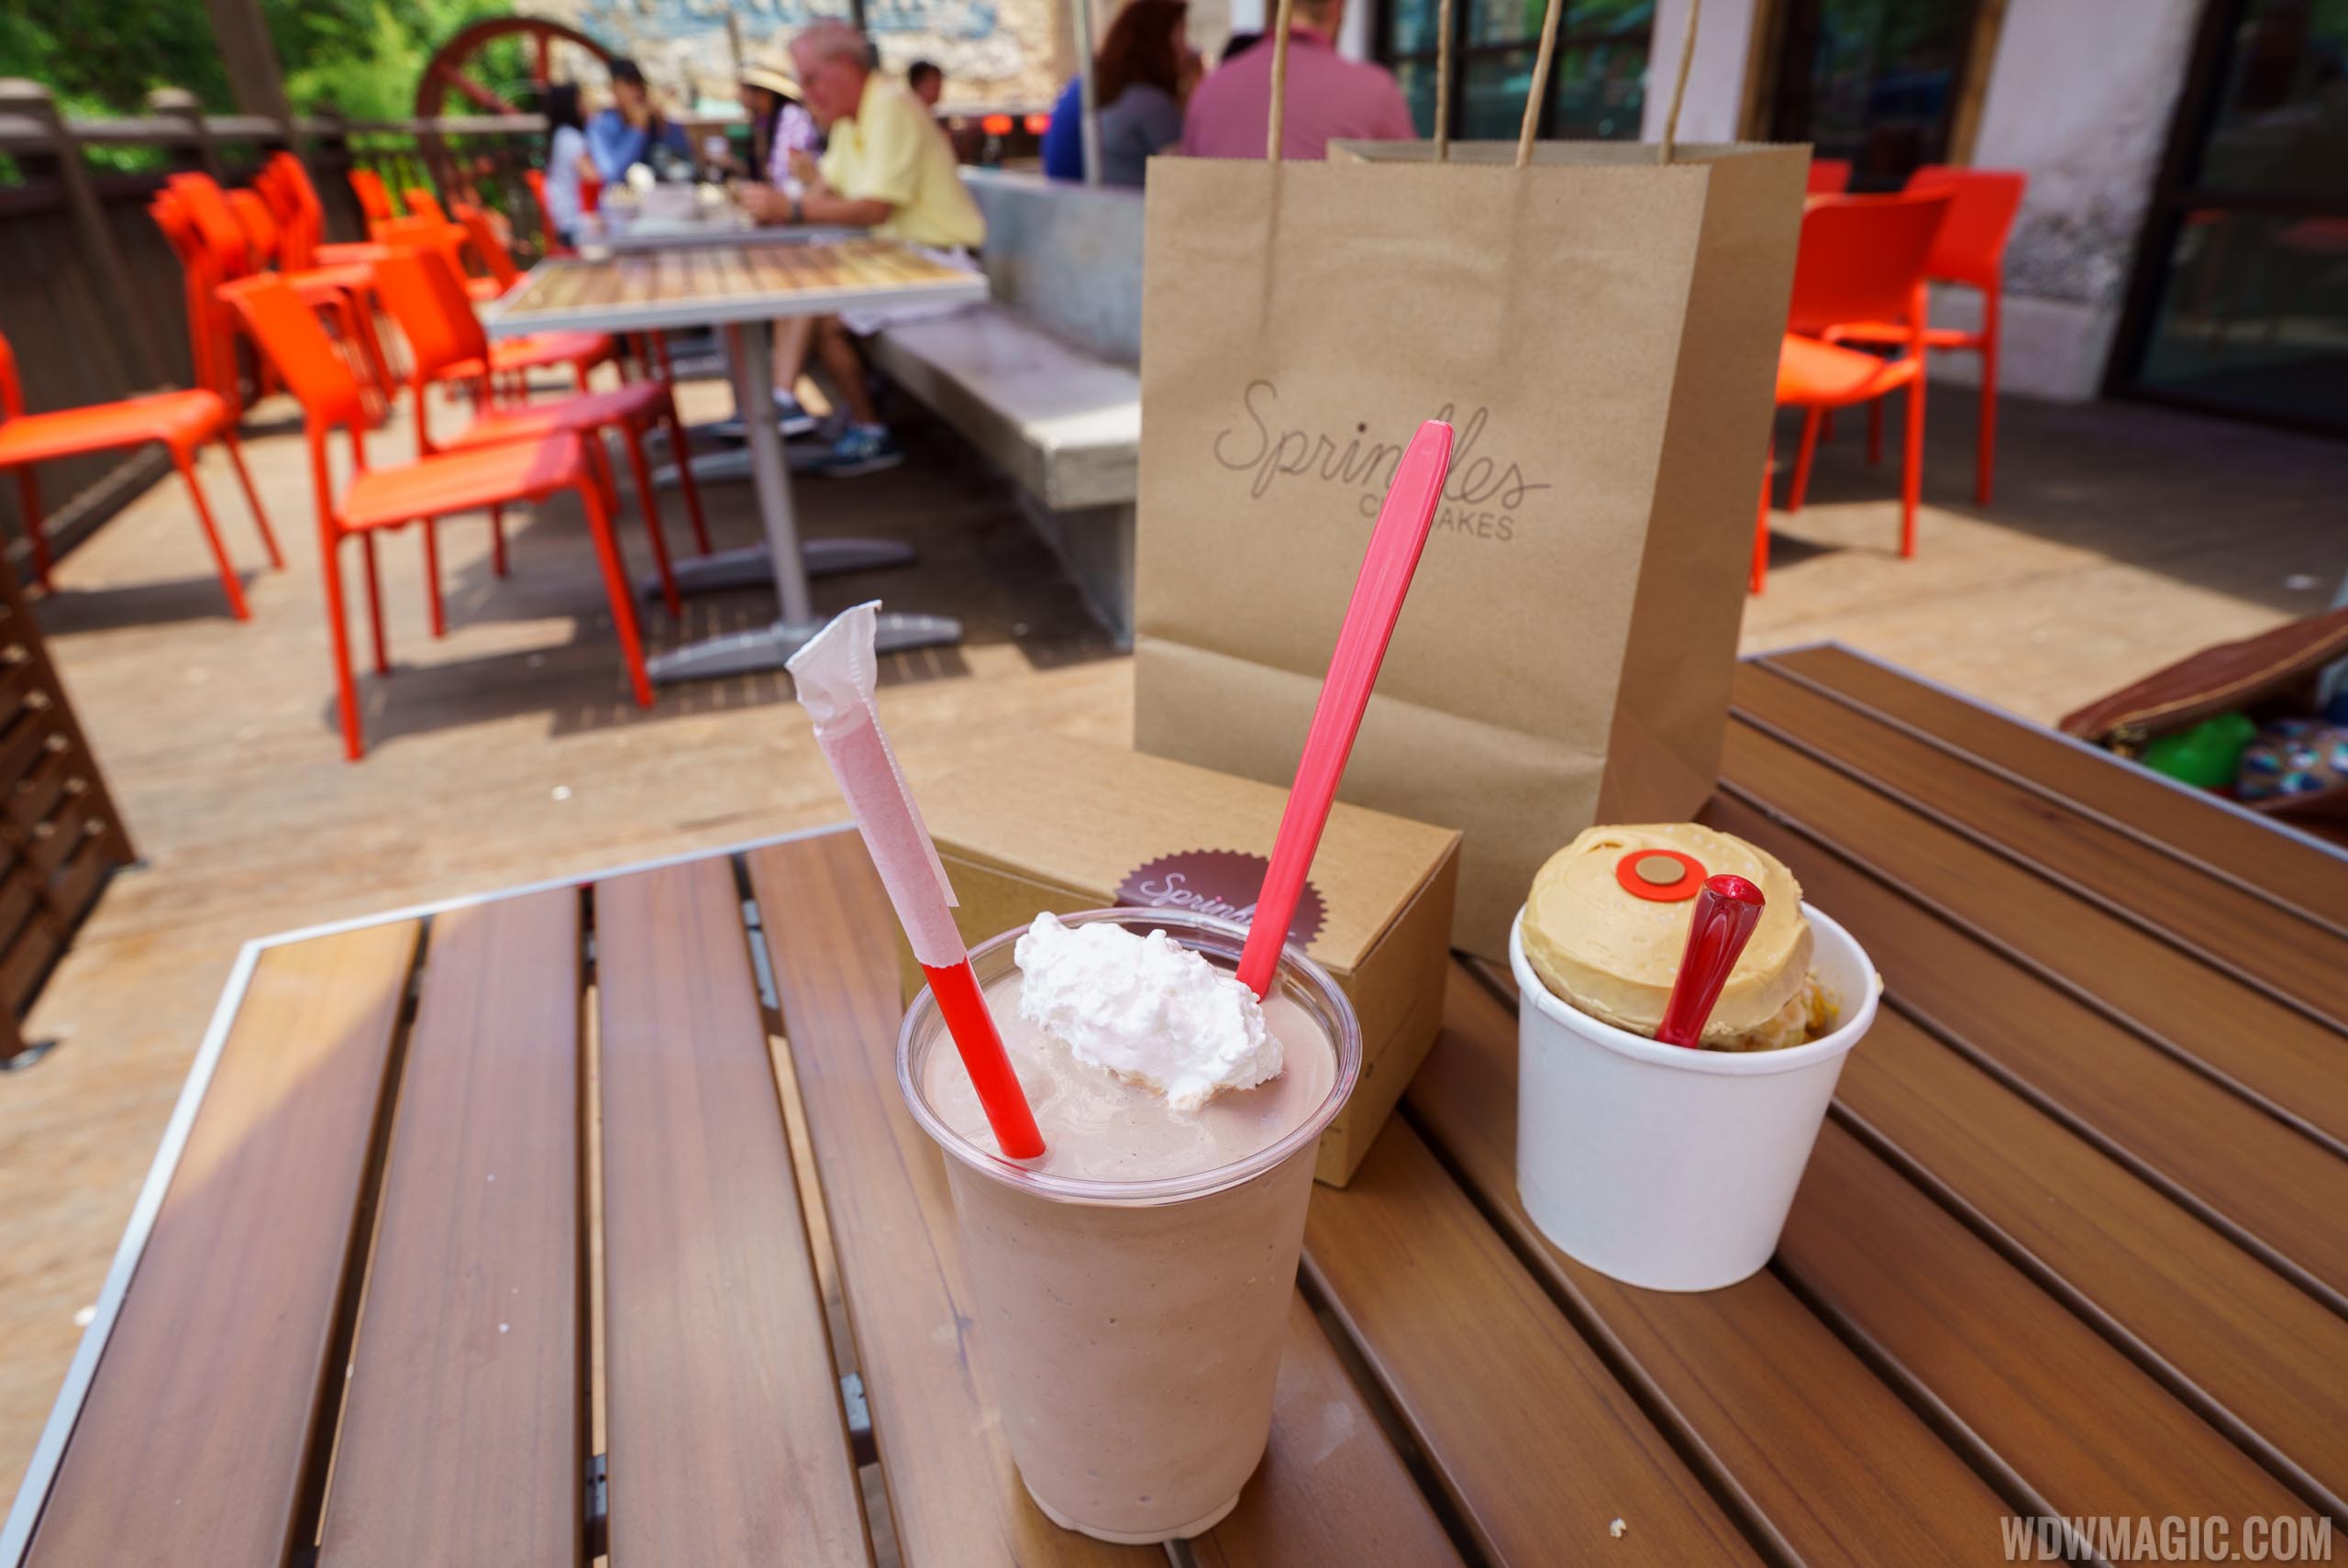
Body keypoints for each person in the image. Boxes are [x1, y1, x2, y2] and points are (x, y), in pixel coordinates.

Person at [738, 17, 986, 476]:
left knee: (821, 302)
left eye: (811, 79)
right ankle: (791, 401)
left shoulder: (890, 105)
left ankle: (807, 408)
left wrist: (789, 211)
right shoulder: (853, 119)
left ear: (847, 68)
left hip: (945, 267)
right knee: (810, 280)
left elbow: (875, 210)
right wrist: (781, 209)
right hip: (902, 262)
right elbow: (824, 193)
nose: (806, 93)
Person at [1180, 0, 1413, 160]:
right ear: (1336, 7)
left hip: (1225, 229)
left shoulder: (1210, 89)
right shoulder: (1375, 90)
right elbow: (1412, 185)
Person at [1042, 0, 1197, 186]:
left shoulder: (1096, 86)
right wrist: (1196, 94)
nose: (1189, 50)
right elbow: (1189, 182)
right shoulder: (1150, 102)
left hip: (1081, 203)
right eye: (1182, 34)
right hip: (1128, 209)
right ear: (1158, 41)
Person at [585, 58, 692, 182]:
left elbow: (685, 165)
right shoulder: (600, 126)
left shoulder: (657, 121)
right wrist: (637, 130)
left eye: (639, 84)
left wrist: (664, 128)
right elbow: (611, 173)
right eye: (629, 85)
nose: (637, 91)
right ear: (613, 89)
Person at [538, 83, 594, 245]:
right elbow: (593, 176)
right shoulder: (570, 138)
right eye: (581, 101)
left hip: (564, 223)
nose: (586, 105)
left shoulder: (561, 135)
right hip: (574, 227)